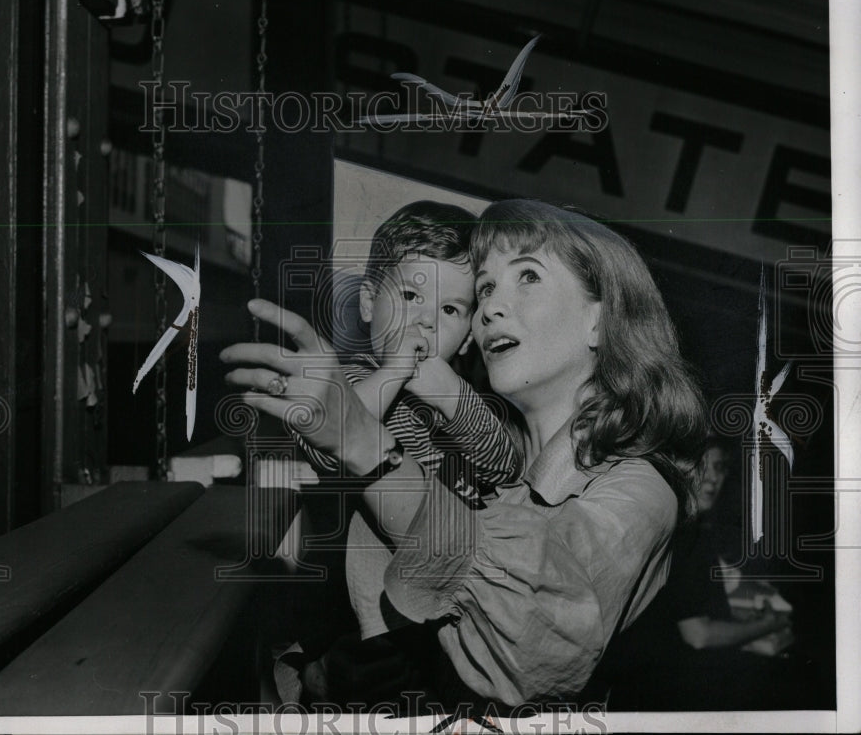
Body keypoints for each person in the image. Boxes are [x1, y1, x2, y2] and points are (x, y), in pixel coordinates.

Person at [222, 198, 707, 708]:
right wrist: (324, 674)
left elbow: (532, 638)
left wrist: (363, 439)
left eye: (528, 277)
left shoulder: (637, 491)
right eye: (487, 288)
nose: (492, 307)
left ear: (601, 322)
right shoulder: (503, 455)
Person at [292, 201, 522, 642]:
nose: (426, 322)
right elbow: (327, 436)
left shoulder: (465, 396)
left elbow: (504, 467)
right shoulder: (357, 377)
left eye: (451, 310)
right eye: (411, 297)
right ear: (367, 303)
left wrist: (452, 396)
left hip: (459, 573)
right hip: (380, 584)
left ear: (470, 336)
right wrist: (393, 373)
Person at [606, 438, 811, 711]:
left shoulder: (681, 526)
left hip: (639, 688)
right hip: (661, 694)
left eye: (720, 467)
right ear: (681, 469)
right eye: (703, 466)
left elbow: (681, 611)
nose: (713, 477)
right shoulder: (686, 535)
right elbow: (698, 635)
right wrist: (769, 625)